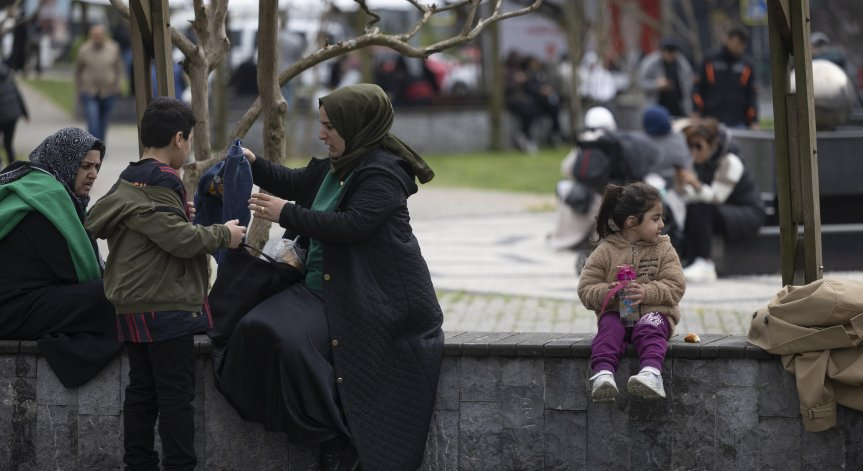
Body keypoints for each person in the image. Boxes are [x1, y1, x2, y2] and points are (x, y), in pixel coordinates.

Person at [216, 83, 444, 471]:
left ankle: (338, 440)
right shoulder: (337, 164)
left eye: (329, 127)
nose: (322, 134)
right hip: (321, 288)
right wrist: (253, 163)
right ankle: (329, 431)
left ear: (356, 127)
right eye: (322, 125)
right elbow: (296, 183)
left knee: (292, 344)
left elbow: (351, 225)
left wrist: (284, 213)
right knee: (255, 329)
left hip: (372, 296)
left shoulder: (382, 173)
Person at [85, 97, 246, 470]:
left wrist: (179, 216)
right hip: (165, 306)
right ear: (178, 138)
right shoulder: (161, 180)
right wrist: (225, 233)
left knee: (142, 392)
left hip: (134, 305)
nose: (188, 148)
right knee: (175, 397)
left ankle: (138, 463)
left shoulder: (130, 178)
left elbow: (157, 228)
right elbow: (179, 240)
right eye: (188, 140)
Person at [0, 127, 121, 388]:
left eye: (96, 167)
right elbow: (81, 274)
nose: (92, 174)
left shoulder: (38, 187)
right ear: (64, 161)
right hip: (11, 310)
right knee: (110, 296)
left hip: (22, 300)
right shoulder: (48, 199)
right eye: (85, 165)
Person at [577, 182, 686, 402]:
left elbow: (676, 285)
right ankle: (603, 375)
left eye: (661, 218)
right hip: (618, 314)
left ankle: (651, 374)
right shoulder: (606, 251)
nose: (661, 224)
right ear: (632, 222)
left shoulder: (664, 248)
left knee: (650, 327)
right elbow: (586, 288)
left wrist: (647, 293)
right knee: (608, 329)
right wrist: (610, 291)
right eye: (655, 218)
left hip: (654, 314)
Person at [676, 118, 766, 283]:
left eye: (698, 146)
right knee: (694, 208)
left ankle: (705, 262)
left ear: (712, 145)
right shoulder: (700, 162)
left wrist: (694, 184)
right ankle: (690, 259)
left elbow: (716, 197)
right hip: (725, 210)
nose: (694, 151)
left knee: (702, 208)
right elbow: (694, 197)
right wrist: (683, 186)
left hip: (749, 213)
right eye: (690, 146)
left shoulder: (731, 161)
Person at [692, 27, 758, 128]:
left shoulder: (747, 65)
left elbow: (752, 95)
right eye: (737, 42)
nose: (739, 46)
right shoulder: (710, 60)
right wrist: (696, 111)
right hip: (711, 119)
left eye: (742, 43)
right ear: (728, 40)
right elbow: (697, 88)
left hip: (738, 120)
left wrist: (753, 120)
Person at [75, 24, 123, 142]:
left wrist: (117, 86)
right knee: (93, 121)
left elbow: (118, 69)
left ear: (104, 35)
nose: (97, 38)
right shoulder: (84, 49)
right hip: (89, 91)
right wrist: (79, 90)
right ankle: (93, 147)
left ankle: (100, 146)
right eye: (94, 35)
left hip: (108, 92)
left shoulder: (113, 48)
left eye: (99, 35)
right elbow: (78, 71)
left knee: (103, 122)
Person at [637, 37, 695, 117]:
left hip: (679, 108)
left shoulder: (682, 64)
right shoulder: (650, 63)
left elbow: (689, 83)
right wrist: (656, 84)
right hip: (657, 106)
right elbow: (640, 83)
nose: (670, 55)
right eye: (668, 51)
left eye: (673, 51)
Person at [0, 61, 29, 167]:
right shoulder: (8, 76)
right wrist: (26, 113)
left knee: (6, 144)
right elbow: (18, 95)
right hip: (12, 116)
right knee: (8, 144)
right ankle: (13, 168)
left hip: (4, 115)